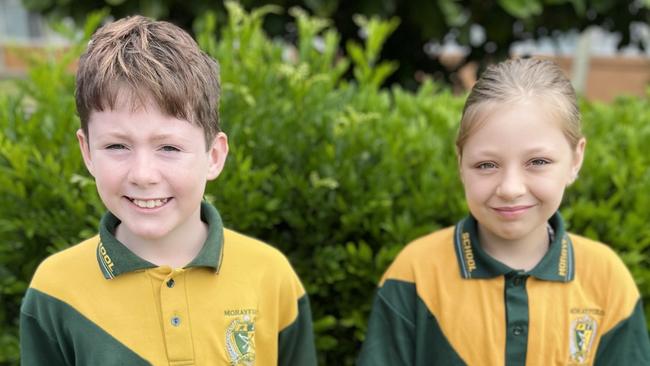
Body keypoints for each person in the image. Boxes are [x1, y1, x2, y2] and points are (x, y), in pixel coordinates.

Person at [20, 15, 317, 366]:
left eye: (169, 148)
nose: (143, 175)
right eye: (117, 146)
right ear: (87, 152)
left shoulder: (271, 276)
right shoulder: (54, 291)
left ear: (214, 156)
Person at [357, 58, 650, 365]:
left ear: (575, 160)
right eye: (486, 165)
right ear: (460, 163)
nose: (510, 188)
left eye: (538, 162)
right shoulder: (415, 273)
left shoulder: (606, 278)